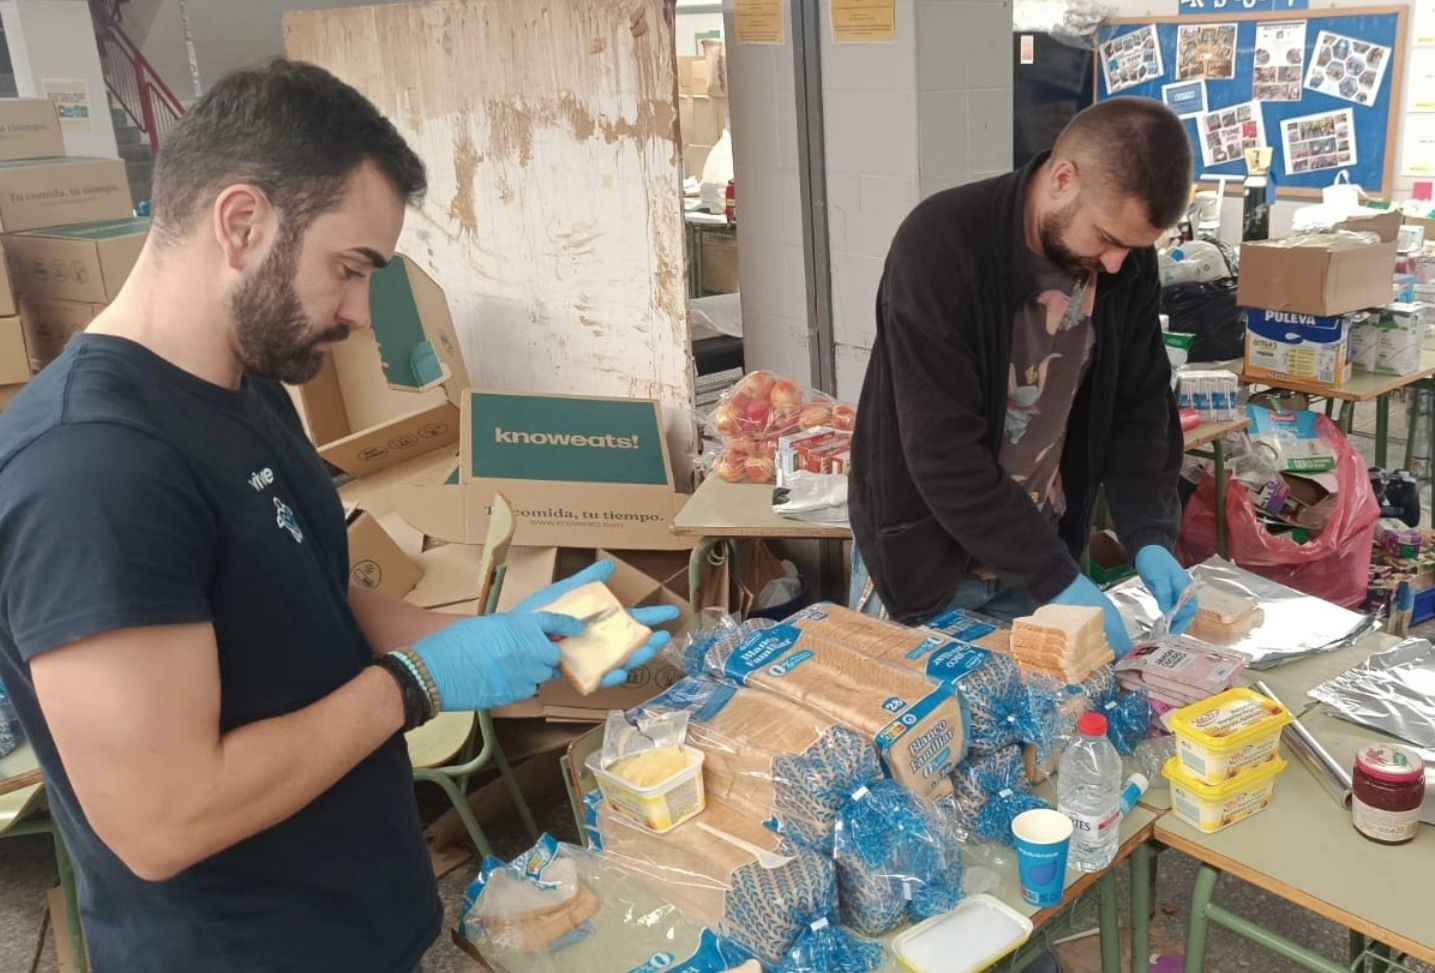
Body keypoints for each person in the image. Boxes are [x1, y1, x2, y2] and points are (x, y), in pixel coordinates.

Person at [0, 61, 675, 973]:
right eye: (348, 269)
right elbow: (165, 820)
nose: (360, 313)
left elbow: (308, 595)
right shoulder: (93, 465)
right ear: (242, 224)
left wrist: (499, 638)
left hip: (355, 913)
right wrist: (417, 682)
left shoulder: (244, 383)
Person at [849, 98, 1199, 653]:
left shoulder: (1125, 263)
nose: (1114, 264)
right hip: (934, 569)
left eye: (1133, 247)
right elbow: (943, 455)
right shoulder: (941, 245)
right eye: (1107, 238)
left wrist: (1150, 533)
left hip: (1041, 552)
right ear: (1063, 178)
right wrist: (1055, 581)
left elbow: (1141, 405)